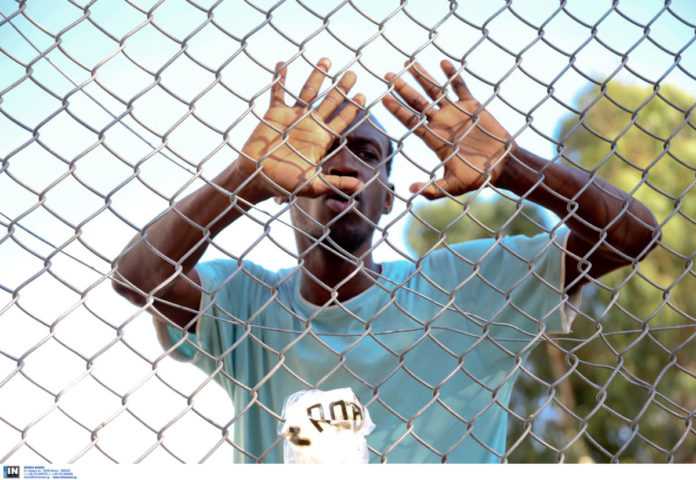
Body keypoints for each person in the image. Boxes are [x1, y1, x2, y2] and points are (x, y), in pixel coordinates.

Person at [112, 57, 659, 463]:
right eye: (322, 150)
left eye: (367, 154)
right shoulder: (244, 301)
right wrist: (244, 180)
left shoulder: (467, 286)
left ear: (389, 197)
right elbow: (138, 277)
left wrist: (514, 166)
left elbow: (631, 235)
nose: (345, 164)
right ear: (284, 187)